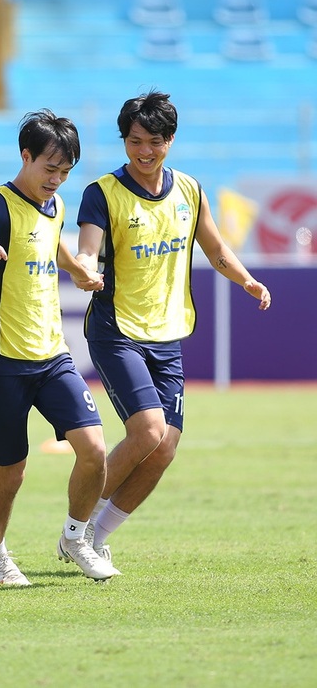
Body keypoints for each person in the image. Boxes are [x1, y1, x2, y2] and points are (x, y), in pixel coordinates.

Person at [75, 90, 271, 565]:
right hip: (116, 328)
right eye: (136, 140)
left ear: (171, 140)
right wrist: (84, 267)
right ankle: (74, 531)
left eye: (155, 141)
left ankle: (96, 537)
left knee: (163, 449)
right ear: (124, 139)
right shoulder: (102, 193)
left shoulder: (190, 190)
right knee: (147, 431)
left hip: (167, 334)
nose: (145, 151)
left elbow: (217, 249)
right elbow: (86, 247)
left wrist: (247, 280)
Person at [0, 109, 121, 585]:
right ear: (26, 156)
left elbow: (54, 240)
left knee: (94, 449)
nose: (56, 180)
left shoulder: (55, 206)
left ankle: (76, 539)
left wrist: (78, 270)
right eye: (49, 168)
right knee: (10, 472)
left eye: (64, 172)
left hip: (52, 355)